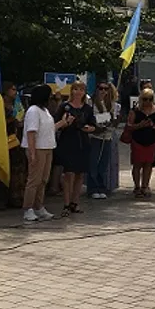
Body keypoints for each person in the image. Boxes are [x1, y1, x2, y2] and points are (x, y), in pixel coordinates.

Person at [22, 84, 67, 222]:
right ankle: (28, 208)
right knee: (34, 180)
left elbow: (48, 129)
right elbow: (31, 132)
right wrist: (33, 152)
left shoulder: (45, 111)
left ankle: (39, 206)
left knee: (43, 180)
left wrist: (63, 123)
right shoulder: (33, 111)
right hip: (37, 148)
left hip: (48, 147)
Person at [56, 82, 96, 215]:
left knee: (80, 174)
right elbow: (57, 124)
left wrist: (90, 128)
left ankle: (75, 202)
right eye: (76, 89)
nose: (78, 92)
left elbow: (93, 125)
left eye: (81, 90)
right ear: (72, 91)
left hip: (83, 142)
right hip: (68, 142)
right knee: (69, 174)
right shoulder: (65, 107)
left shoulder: (87, 109)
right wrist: (66, 123)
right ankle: (66, 204)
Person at [127, 89, 155, 198]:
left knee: (148, 164)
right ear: (141, 99)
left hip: (151, 140)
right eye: (145, 99)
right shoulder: (135, 111)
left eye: (150, 99)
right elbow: (129, 126)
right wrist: (140, 125)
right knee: (137, 164)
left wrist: (152, 125)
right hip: (138, 140)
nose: (147, 101)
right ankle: (137, 186)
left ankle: (145, 186)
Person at [87, 83, 117, 200]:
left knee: (103, 163)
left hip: (107, 136)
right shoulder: (91, 103)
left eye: (106, 89)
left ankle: (101, 186)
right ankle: (93, 188)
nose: (103, 91)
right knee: (93, 162)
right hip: (95, 136)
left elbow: (113, 119)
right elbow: (92, 118)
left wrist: (112, 120)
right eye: (101, 88)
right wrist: (104, 119)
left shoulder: (111, 104)